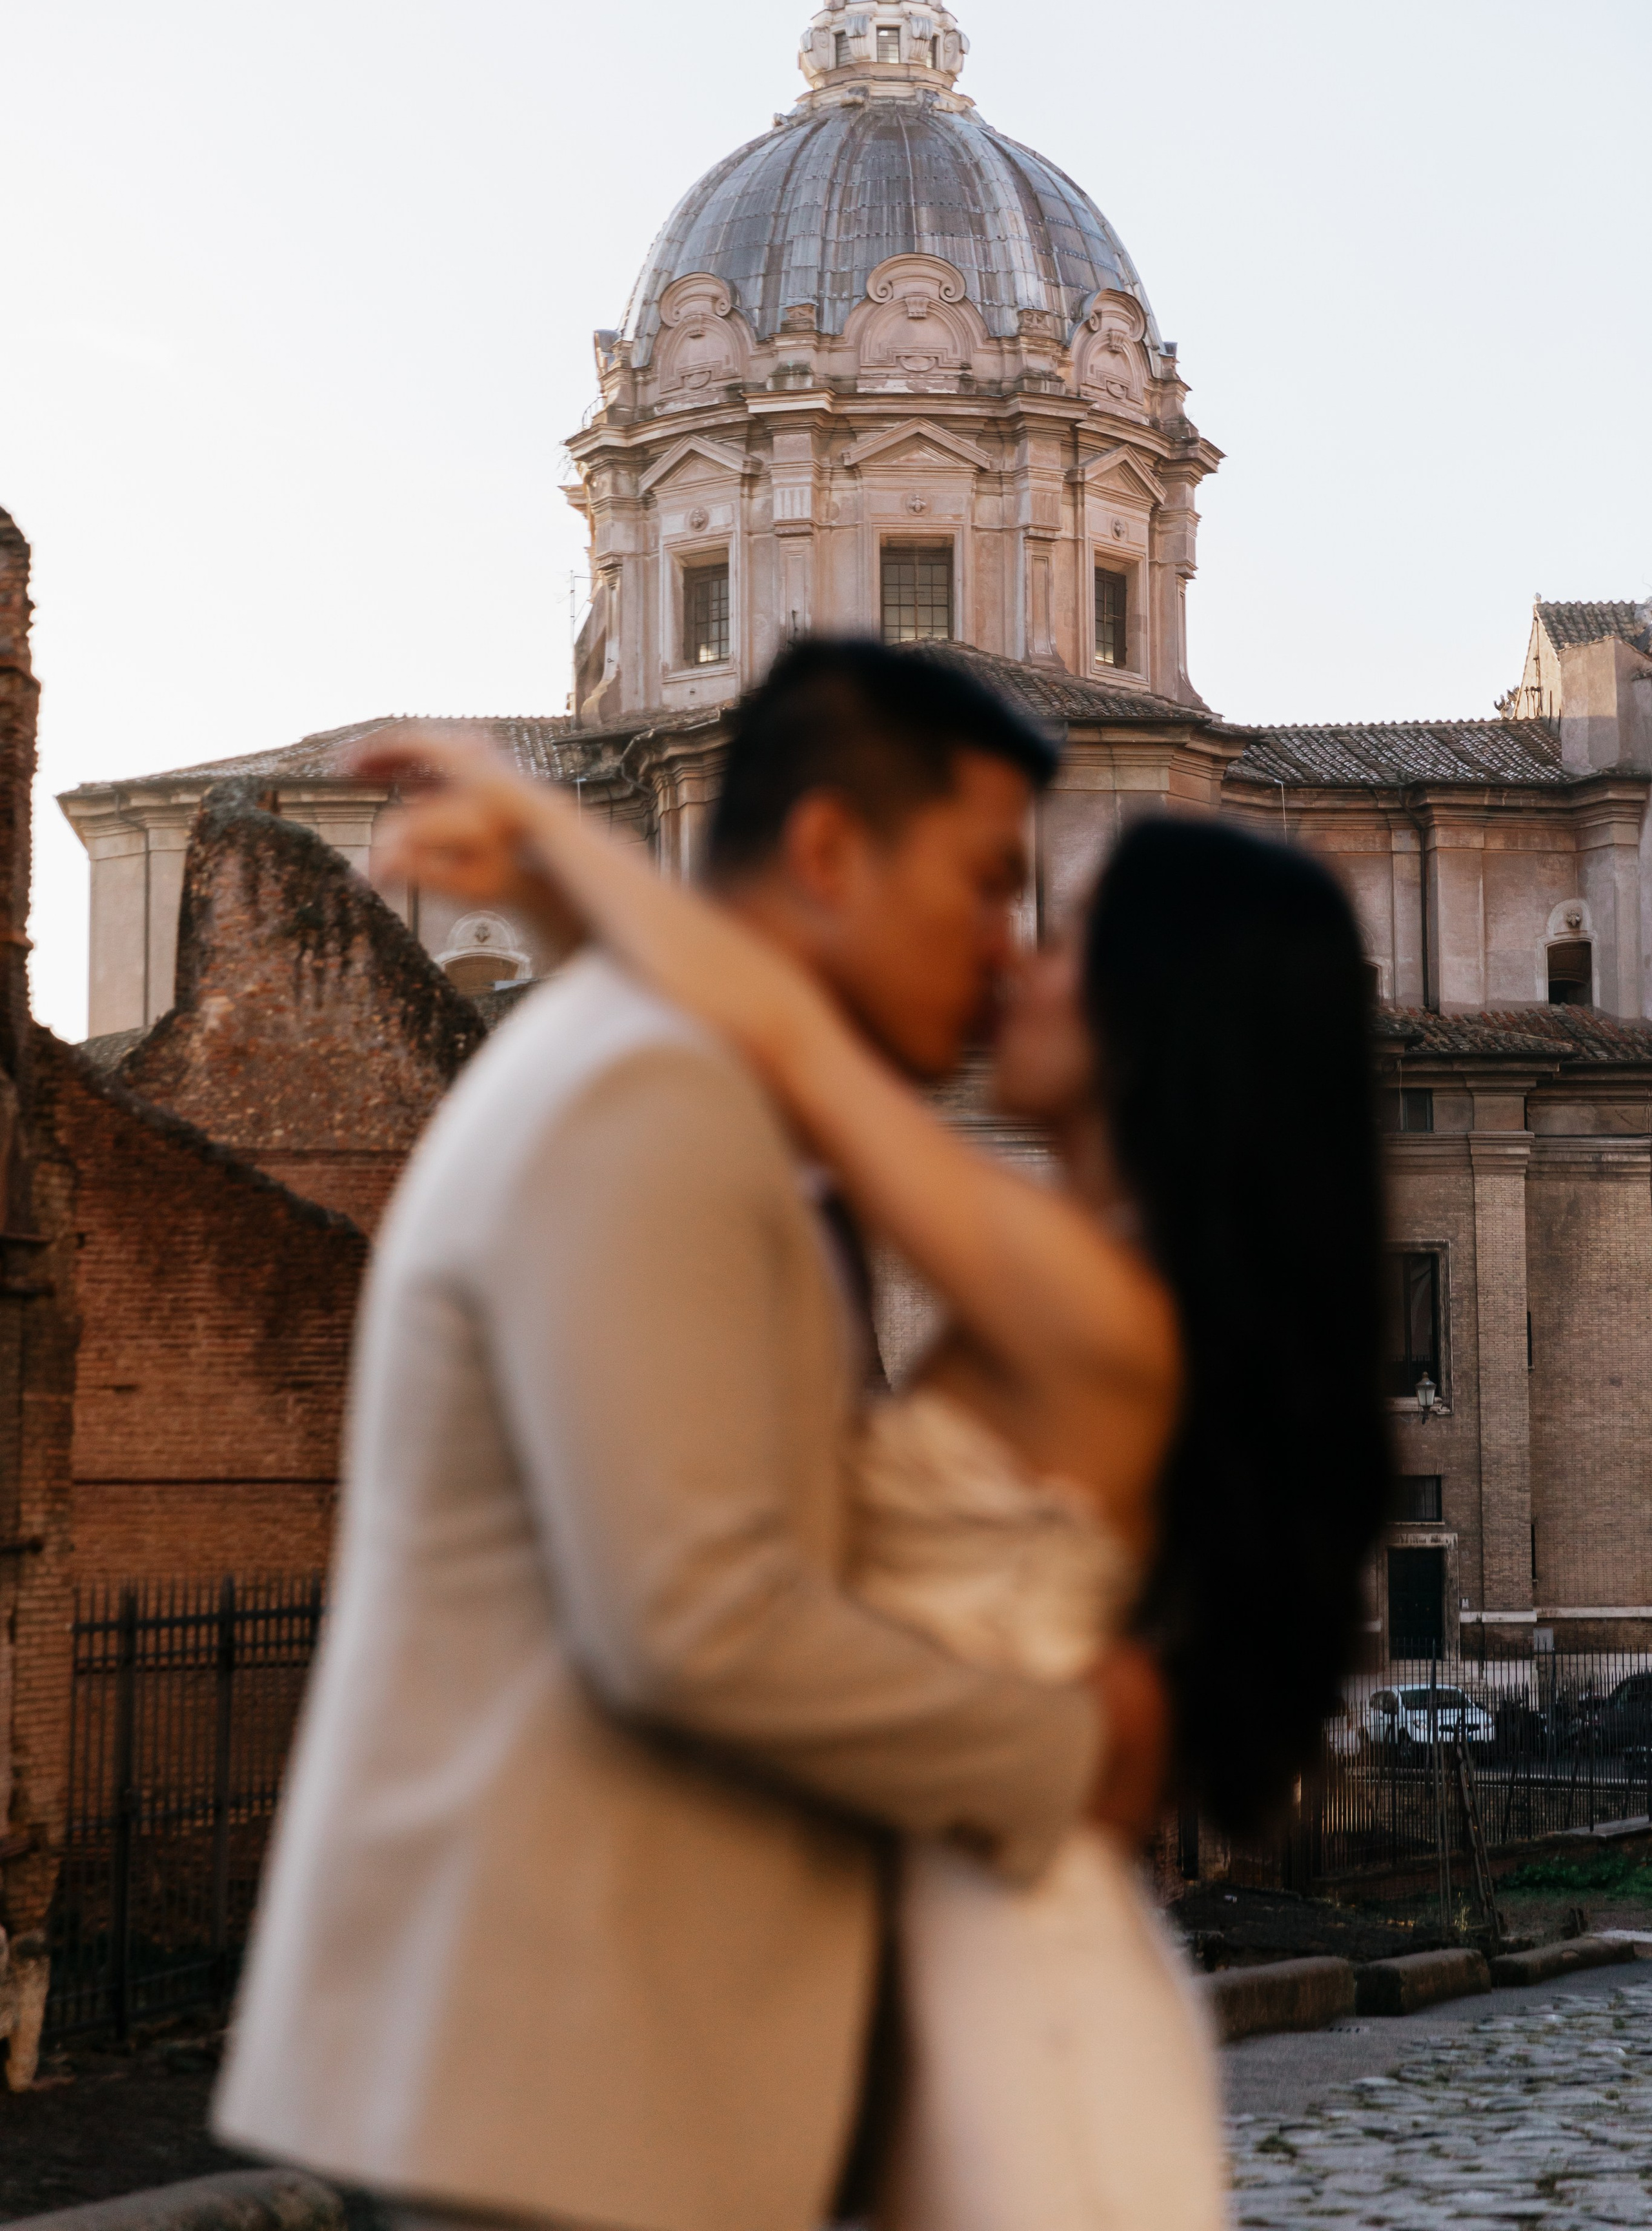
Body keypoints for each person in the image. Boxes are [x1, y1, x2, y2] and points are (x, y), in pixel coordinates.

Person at [354, 647, 1392, 2231]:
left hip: (1007, 1995)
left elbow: (785, 1041)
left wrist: (562, 859)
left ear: (1161, 1025)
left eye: (1070, 942)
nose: (1013, 960)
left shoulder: (1084, 1292)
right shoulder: (1082, 1269)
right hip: (940, 1951)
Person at [214, 642, 1169, 2231]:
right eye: (981, 885)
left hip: (625, 2055)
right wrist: (1070, 1750)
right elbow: (692, 1616)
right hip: (570, 2076)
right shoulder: (648, 1100)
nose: (1008, 953)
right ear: (825, 853)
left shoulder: (681, 1079)